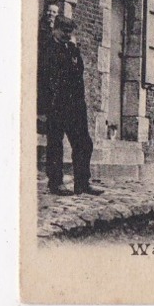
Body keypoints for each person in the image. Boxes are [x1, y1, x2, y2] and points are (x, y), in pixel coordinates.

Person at [44, 15, 102, 196]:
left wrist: (81, 102)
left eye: (70, 33)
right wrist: (41, 109)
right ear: (55, 29)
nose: (67, 36)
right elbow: (41, 80)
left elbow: (79, 76)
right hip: (54, 105)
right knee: (55, 145)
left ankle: (82, 183)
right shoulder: (46, 49)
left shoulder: (73, 50)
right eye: (64, 32)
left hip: (75, 106)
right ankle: (56, 184)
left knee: (84, 144)